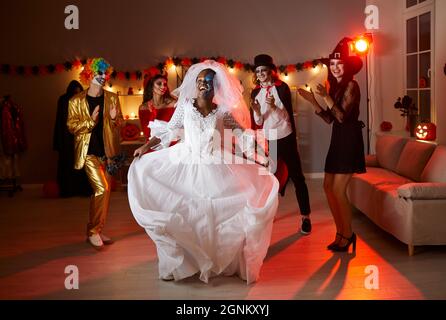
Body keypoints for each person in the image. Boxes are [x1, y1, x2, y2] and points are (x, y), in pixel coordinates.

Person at [128, 60, 279, 284]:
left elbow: (241, 134)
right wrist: (145, 147)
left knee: (215, 213)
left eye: (207, 81)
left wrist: (262, 155)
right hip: (185, 162)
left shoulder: (222, 112)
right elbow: (169, 131)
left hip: (216, 164)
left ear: (215, 85)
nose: (203, 84)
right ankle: (185, 262)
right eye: (199, 81)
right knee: (189, 212)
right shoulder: (186, 106)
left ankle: (215, 260)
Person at [298, 38, 365, 252]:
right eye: (333, 65)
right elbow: (330, 119)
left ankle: (348, 234)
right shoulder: (337, 88)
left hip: (350, 140)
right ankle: (340, 233)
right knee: (328, 187)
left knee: (338, 190)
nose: (335, 68)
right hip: (338, 140)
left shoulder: (352, 85)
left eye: (339, 64)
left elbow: (342, 117)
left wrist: (326, 96)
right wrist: (312, 100)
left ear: (346, 66)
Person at [251, 54, 312, 234]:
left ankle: (306, 217)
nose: (261, 74)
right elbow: (260, 121)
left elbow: (286, 117)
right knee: (269, 178)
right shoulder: (255, 92)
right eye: (258, 71)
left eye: (264, 70)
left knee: (297, 176)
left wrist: (274, 107)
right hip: (270, 139)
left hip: (285, 136)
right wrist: (257, 111)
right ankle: (268, 214)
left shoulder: (282, 87)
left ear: (271, 71)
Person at [67, 57, 124, 249]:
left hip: (106, 153)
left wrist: (115, 119)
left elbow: (119, 125)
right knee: (102, 188)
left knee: (103, 193)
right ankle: (93, 232)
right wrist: (91, 122)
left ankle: (96, 229)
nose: (102, 77)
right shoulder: (76, 101)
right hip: (88, 153)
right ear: (89, 75)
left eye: (104, 74)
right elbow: (72, 126)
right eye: (98, 74)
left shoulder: (112, 98)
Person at [53, 80, 92, 197]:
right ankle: (68, 190)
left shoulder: (83, 99)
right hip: (67, 139)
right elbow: (60, 121)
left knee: (82, 163)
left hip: (80, 137)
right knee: (68, 164)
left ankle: (83, 190)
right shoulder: (64, 100)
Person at [139, 74, 177, 140]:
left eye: (165, 84)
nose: (163, 87)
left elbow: (176, 128)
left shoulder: (173, 104)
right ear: (151, 86)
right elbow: (147, 133)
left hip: (171, 142)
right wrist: (152, 114)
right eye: (159, 84)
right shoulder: (143, 108)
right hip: (152, 144)